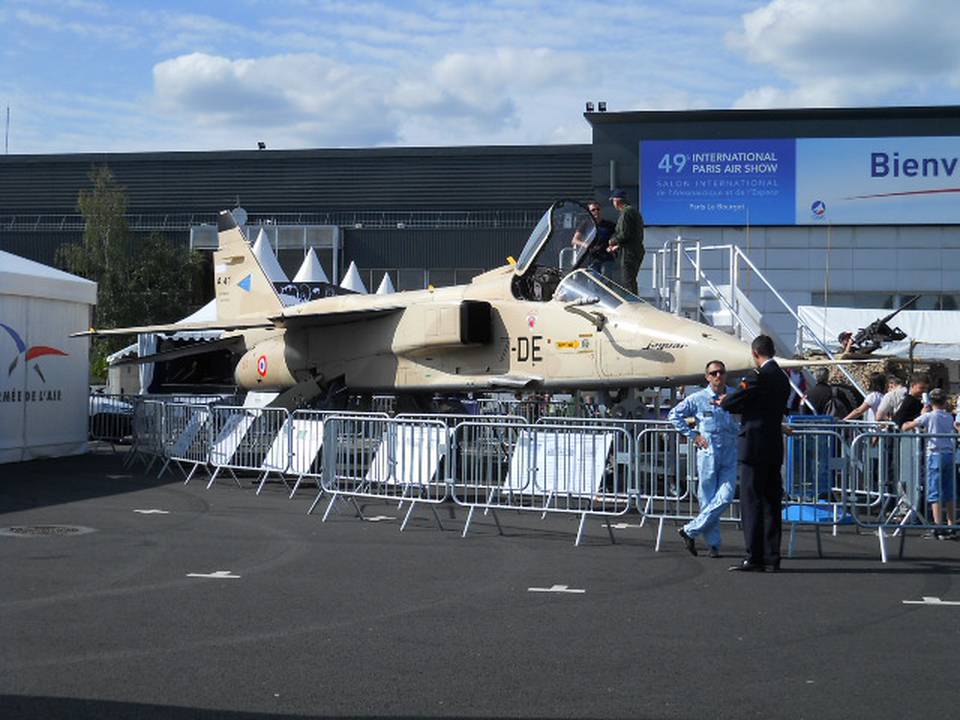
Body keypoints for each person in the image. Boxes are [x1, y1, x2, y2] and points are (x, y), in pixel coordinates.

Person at [719, 335, 791, 572]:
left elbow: (734, 401)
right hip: (772, 444)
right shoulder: (782, 378)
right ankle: (772, 555)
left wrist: (724, 401)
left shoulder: (757, 376)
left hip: (753, 445)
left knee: (751, 502)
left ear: (755, 354)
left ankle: (755, 556)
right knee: (771, 501)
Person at [668, 360, 739, 558]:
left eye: (721, 372)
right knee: (707, 499)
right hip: (708, 453)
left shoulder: (734, 395)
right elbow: (674, 415)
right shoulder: (698, 398)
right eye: (714, 373)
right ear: (707, 376)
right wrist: (693, 436)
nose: (718, 376)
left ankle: (690, 530)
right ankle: (713, 544)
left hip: (729, 451)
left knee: (726, 496)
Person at [902, 388, 957, 538]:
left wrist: (920, 415)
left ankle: (938, 525)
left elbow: (907, 426)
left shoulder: (928, 416)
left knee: (935, 491)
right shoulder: (949, 417)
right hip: (949, 453)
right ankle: (952, 524)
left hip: (935, 454)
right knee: (949, 490)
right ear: (945, 401)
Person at [607, 189, 644, 294]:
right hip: (634, 250)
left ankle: (633, 305)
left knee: (628, 282)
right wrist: (617, 246)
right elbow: (631, 235)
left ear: (617, 201)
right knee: (630, 280)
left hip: (629, 253)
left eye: (613, 201)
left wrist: (612, 241)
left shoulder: (626, 213)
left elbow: (624, 234)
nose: (613, 203)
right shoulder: (633, 211)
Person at [571, 201, 617, 276]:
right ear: (589, 212)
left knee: (606, 281)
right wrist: (586, 245)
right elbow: (574, 240)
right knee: (594, 281)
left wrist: (614, 246)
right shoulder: (586, 224)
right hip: (593, 257)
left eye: (598, 209)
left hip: (607, 257)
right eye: (593, 210)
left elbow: (619, 237)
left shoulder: (610, 225)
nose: (596, 212)